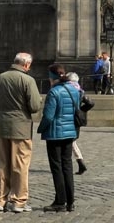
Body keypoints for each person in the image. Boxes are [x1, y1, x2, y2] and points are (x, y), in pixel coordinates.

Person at [0, 52, 42, 214]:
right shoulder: (28, 80)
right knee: (20, 165)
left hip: (3, 127)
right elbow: (34, 106)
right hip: (21, 129)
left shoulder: (0, 78)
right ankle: (19, 201)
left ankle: (0, 200)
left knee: (2, 164)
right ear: (26, 65)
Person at [37, 64, 80, 213]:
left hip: (55, 134)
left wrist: (40, 128)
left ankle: (60, 201)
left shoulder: (53, 92)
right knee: (67, 167)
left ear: (52, 77)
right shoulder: (74, 90)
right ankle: (70, 201)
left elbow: (48, 116)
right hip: (69, 133)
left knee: (57, 168)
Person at [64, 73, 89, 175]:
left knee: (69, 142)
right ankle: (80, 162)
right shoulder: (80, 91)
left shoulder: (66, 90)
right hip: (76, 120)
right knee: (72, 141)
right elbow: (91, 103)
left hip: (68, 118)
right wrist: (81, 110)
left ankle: (74, 163)